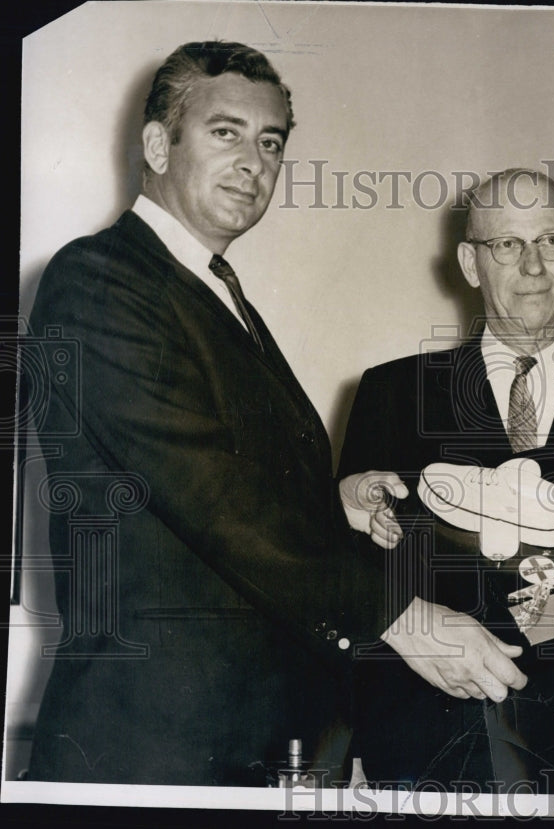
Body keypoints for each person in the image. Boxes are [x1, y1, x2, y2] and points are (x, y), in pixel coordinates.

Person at [25, 41, 387, 785]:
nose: (255, 161)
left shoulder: (220, 294)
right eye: (226, 132)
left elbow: (222, 478)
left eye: (272, 142)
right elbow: (216, 500)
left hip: (253, 748)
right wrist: (400, 612)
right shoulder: (98, 279)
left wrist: (333, 503)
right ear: (158, 144)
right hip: (146, 751)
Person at [337, 169, 554, 793]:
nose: (533, 265)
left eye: (549, 242)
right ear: (471, 263)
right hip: (417, 739)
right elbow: (349, 574)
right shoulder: (393, 393)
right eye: (507, 245)